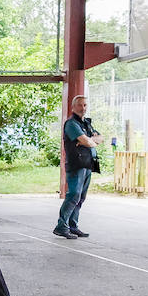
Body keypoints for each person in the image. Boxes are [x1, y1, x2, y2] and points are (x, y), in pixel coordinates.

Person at [55, 94, 99, 240]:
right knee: (73, 195)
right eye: (80, 105)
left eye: (85, 105)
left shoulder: (86, 123)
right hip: (77, 165)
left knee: (81, 197)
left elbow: (99, 138)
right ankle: (61, 226)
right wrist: (88, 140)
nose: (83, 108)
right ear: (73, 107)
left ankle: (73, 225)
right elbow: (86, 141)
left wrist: (89, 140)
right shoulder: (71, 124)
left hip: (87, 164)